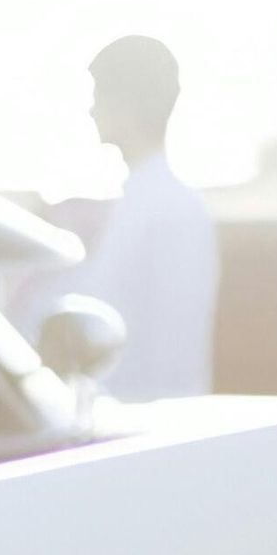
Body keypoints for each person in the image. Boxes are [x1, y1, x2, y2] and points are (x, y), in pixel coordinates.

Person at [80, 33, 217, 397]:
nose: (91, 110)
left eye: (98, 97)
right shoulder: (139, 202)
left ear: (126, 104)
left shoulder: (173, 210)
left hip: (153, 434)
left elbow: (177, 352)